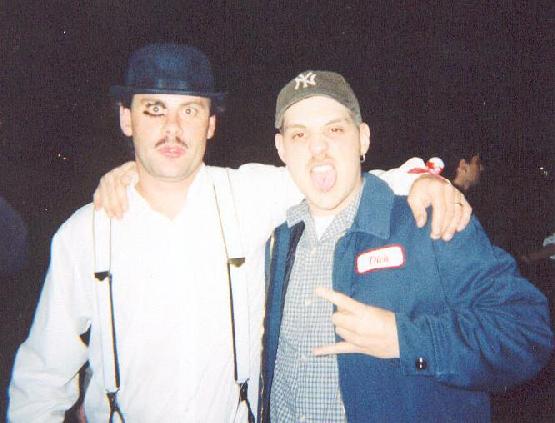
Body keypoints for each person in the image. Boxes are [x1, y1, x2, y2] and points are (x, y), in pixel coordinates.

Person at [8, 44, 470, 422]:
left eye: (190, 110)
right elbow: (42, 376)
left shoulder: (246, 194)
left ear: (210, 123)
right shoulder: (84, 234)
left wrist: (422, 179)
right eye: (154, 110)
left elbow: (340, 174)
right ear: (127, 118)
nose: (173, 128)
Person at [259, 70, 553, 422]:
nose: (317, 148)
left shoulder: (430, 221)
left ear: (362, 139)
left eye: (334, 130)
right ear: (282, 148)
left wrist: (405, 339)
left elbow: (527, 333)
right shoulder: (274, 239)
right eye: (299, 134)